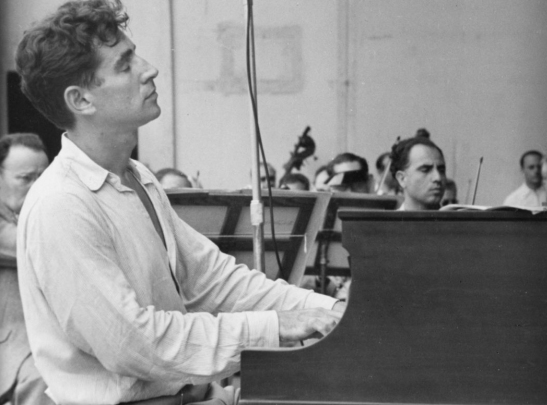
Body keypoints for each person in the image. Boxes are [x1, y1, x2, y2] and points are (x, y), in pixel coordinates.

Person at [15, 1, 343, 404]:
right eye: (125, 64)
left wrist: (334, 311)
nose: (150, 68)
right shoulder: (61, 205)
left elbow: (216, 281)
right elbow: (137, 344)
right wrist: (276, 326)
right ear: (81, 100)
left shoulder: (138, 178)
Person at [0, 133, 52, 405]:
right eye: (25, 178)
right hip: (15, 344)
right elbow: (36, 246)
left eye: (42, 177)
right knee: (45, 381)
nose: (36, 186)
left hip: (50, 338)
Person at [389, 137, 447, 210]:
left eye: (441, 170)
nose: (438, 178)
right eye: (425, 170)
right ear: (402, 179)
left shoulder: (459, 221)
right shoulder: (389, 221)